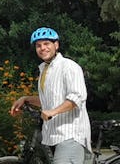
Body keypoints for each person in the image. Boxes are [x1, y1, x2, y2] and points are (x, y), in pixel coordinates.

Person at [9, 27, 92, 164]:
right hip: (53, 136)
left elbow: (77, 97)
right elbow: (49, 101)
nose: (42, 48)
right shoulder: (44, 70)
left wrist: (53, 111)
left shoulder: (69, 67)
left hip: (71, 134)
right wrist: (25, 99)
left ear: (56, 45)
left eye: (46, 43)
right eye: (38, 45)